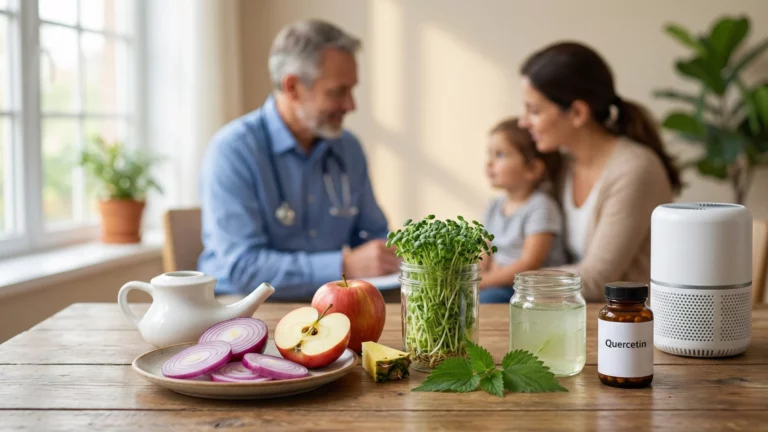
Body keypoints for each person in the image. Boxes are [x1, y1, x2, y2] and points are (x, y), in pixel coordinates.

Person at [198, 20, 399, 299]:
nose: (351, 105)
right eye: (338, 91)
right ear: (292, 87)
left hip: (330, 306)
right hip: (243, 312)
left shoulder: (349, 149)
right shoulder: (233, 150)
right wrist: (345, 265)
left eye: (351, 90)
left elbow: (375, 236)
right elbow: (244, 269)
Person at [518, 41, 681, 301]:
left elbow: (597, 279)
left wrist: (511, 280)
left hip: (633, 326)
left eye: (534, 110)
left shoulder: (634, 169)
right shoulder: (563, 166)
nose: (523, 122)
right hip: (586, 316)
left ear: (578, 113)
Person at [479, 118, 567, 303]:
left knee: (485, 301)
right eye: (490, 154)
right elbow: (484, 251)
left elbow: (530, 263)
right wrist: (470, 279)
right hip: (496, 282)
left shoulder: (541, 207)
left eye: (500, 155)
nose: (489, 163)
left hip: (528, 289)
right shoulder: (494, 205)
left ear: (533, 169)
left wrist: (482, 282)